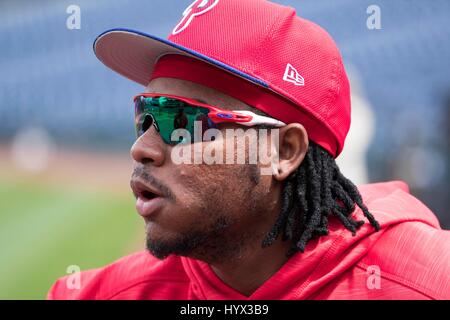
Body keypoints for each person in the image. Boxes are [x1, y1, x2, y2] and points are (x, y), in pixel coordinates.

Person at [48, 0, 449, 300]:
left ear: (285, 151)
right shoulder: (104, 294)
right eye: (146, 114)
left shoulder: (429, 282)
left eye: (182, 120)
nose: (142, 148)